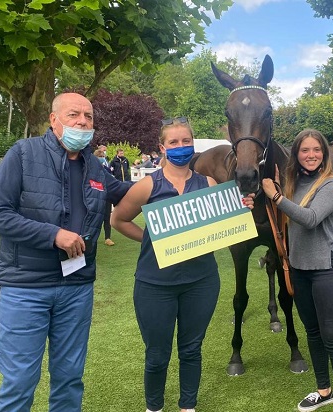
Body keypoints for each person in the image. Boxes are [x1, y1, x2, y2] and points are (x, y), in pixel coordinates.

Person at [0, 92, 131, 412]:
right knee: (20, 382)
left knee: (69, 378)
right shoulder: (23, 153)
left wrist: (190, 183)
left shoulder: (95, 165)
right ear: (53, 120)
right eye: (74, 114)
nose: (82, 122)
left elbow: (126, 193)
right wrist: (53, 235)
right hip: (25, 287)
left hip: (76, 287)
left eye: (88, 117)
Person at [111, 117, 255, 412]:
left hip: (201, 282)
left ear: (192, 144)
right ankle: (154, 407)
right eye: (173, 142)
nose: (180, 147)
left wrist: (239, 210)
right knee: (157, 355)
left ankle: (187, 406)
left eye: (185, 141)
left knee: (191, 350)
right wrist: (151, 241)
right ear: (162, 147)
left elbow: (219, 228)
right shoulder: (146, 186)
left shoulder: (209, 184)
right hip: (155, 285)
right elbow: (118, 220)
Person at [262, 129, 333, 412]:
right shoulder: (293, 182)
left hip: (328, 269)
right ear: (296, 154)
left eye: (316, 150)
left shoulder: (332, 184)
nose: (311, 155)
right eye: (305, 150)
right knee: (312, 334)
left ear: (324, 153)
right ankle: (324, 391)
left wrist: (276, 197)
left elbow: (310, 219)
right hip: (300, 270)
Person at [94, 148, 115, 246]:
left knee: (107, 217)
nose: (102, 158)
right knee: (94, 217)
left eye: (103, 156)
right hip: (94, 196)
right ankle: (91, 237)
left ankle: (108, 238)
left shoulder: (106, 169)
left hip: (106, 196)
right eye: (100, 156)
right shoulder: (90, 169)